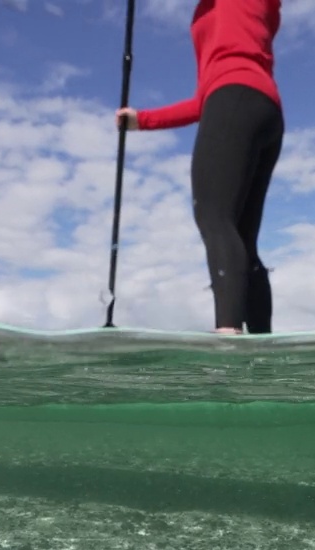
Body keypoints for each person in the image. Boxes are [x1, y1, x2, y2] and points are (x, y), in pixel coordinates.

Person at [117, 0, 284, 335]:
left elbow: (221, 92)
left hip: (235, 97)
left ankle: (228, 336)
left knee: (214, 217)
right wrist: (143, 120)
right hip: (261, 107)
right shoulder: (221, 22)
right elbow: (204, 100)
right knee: (244, 240)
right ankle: (263, 350)